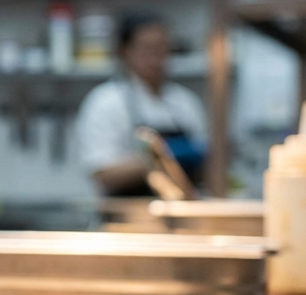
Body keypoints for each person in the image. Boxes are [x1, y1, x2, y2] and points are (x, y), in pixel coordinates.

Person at [75, 14, 207, 196]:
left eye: (163, 49)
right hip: (128, 216)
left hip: (183, 213)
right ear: (125, 52)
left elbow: (205, 163)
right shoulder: (106, 102)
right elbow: (102, 173)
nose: (157, 58)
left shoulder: (185, 101)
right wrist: (158, 159)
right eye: (148, 49)